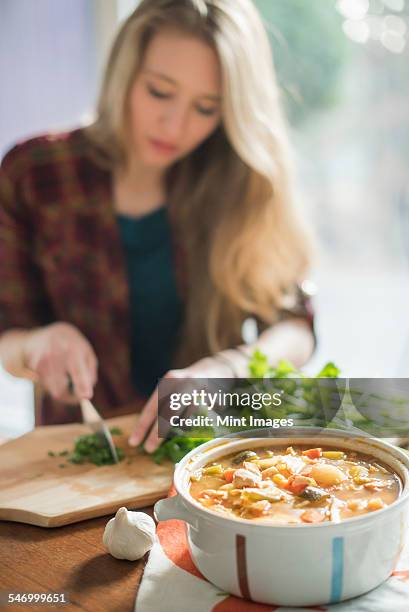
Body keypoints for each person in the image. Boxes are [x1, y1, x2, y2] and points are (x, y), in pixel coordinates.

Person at [0, 0, 315, 453]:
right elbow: (9, 336)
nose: (175, 124)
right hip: (78, 460)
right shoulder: (34, 173)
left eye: (206, 108)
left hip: (218, 454)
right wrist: (38, 343)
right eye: (159, 92)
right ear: (124, 72)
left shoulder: (241, 180)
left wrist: (228, 373)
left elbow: (296, 327)